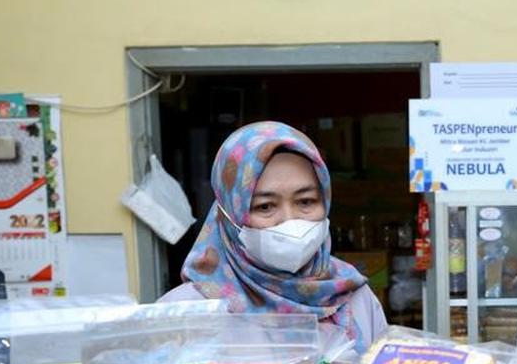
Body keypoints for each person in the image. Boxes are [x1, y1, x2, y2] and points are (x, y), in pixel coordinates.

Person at [161, 121, 387, 351]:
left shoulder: (355, 299)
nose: (289, 219)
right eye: (265, 206)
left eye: (306, 201)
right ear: (231, 213)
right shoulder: (185, 314)